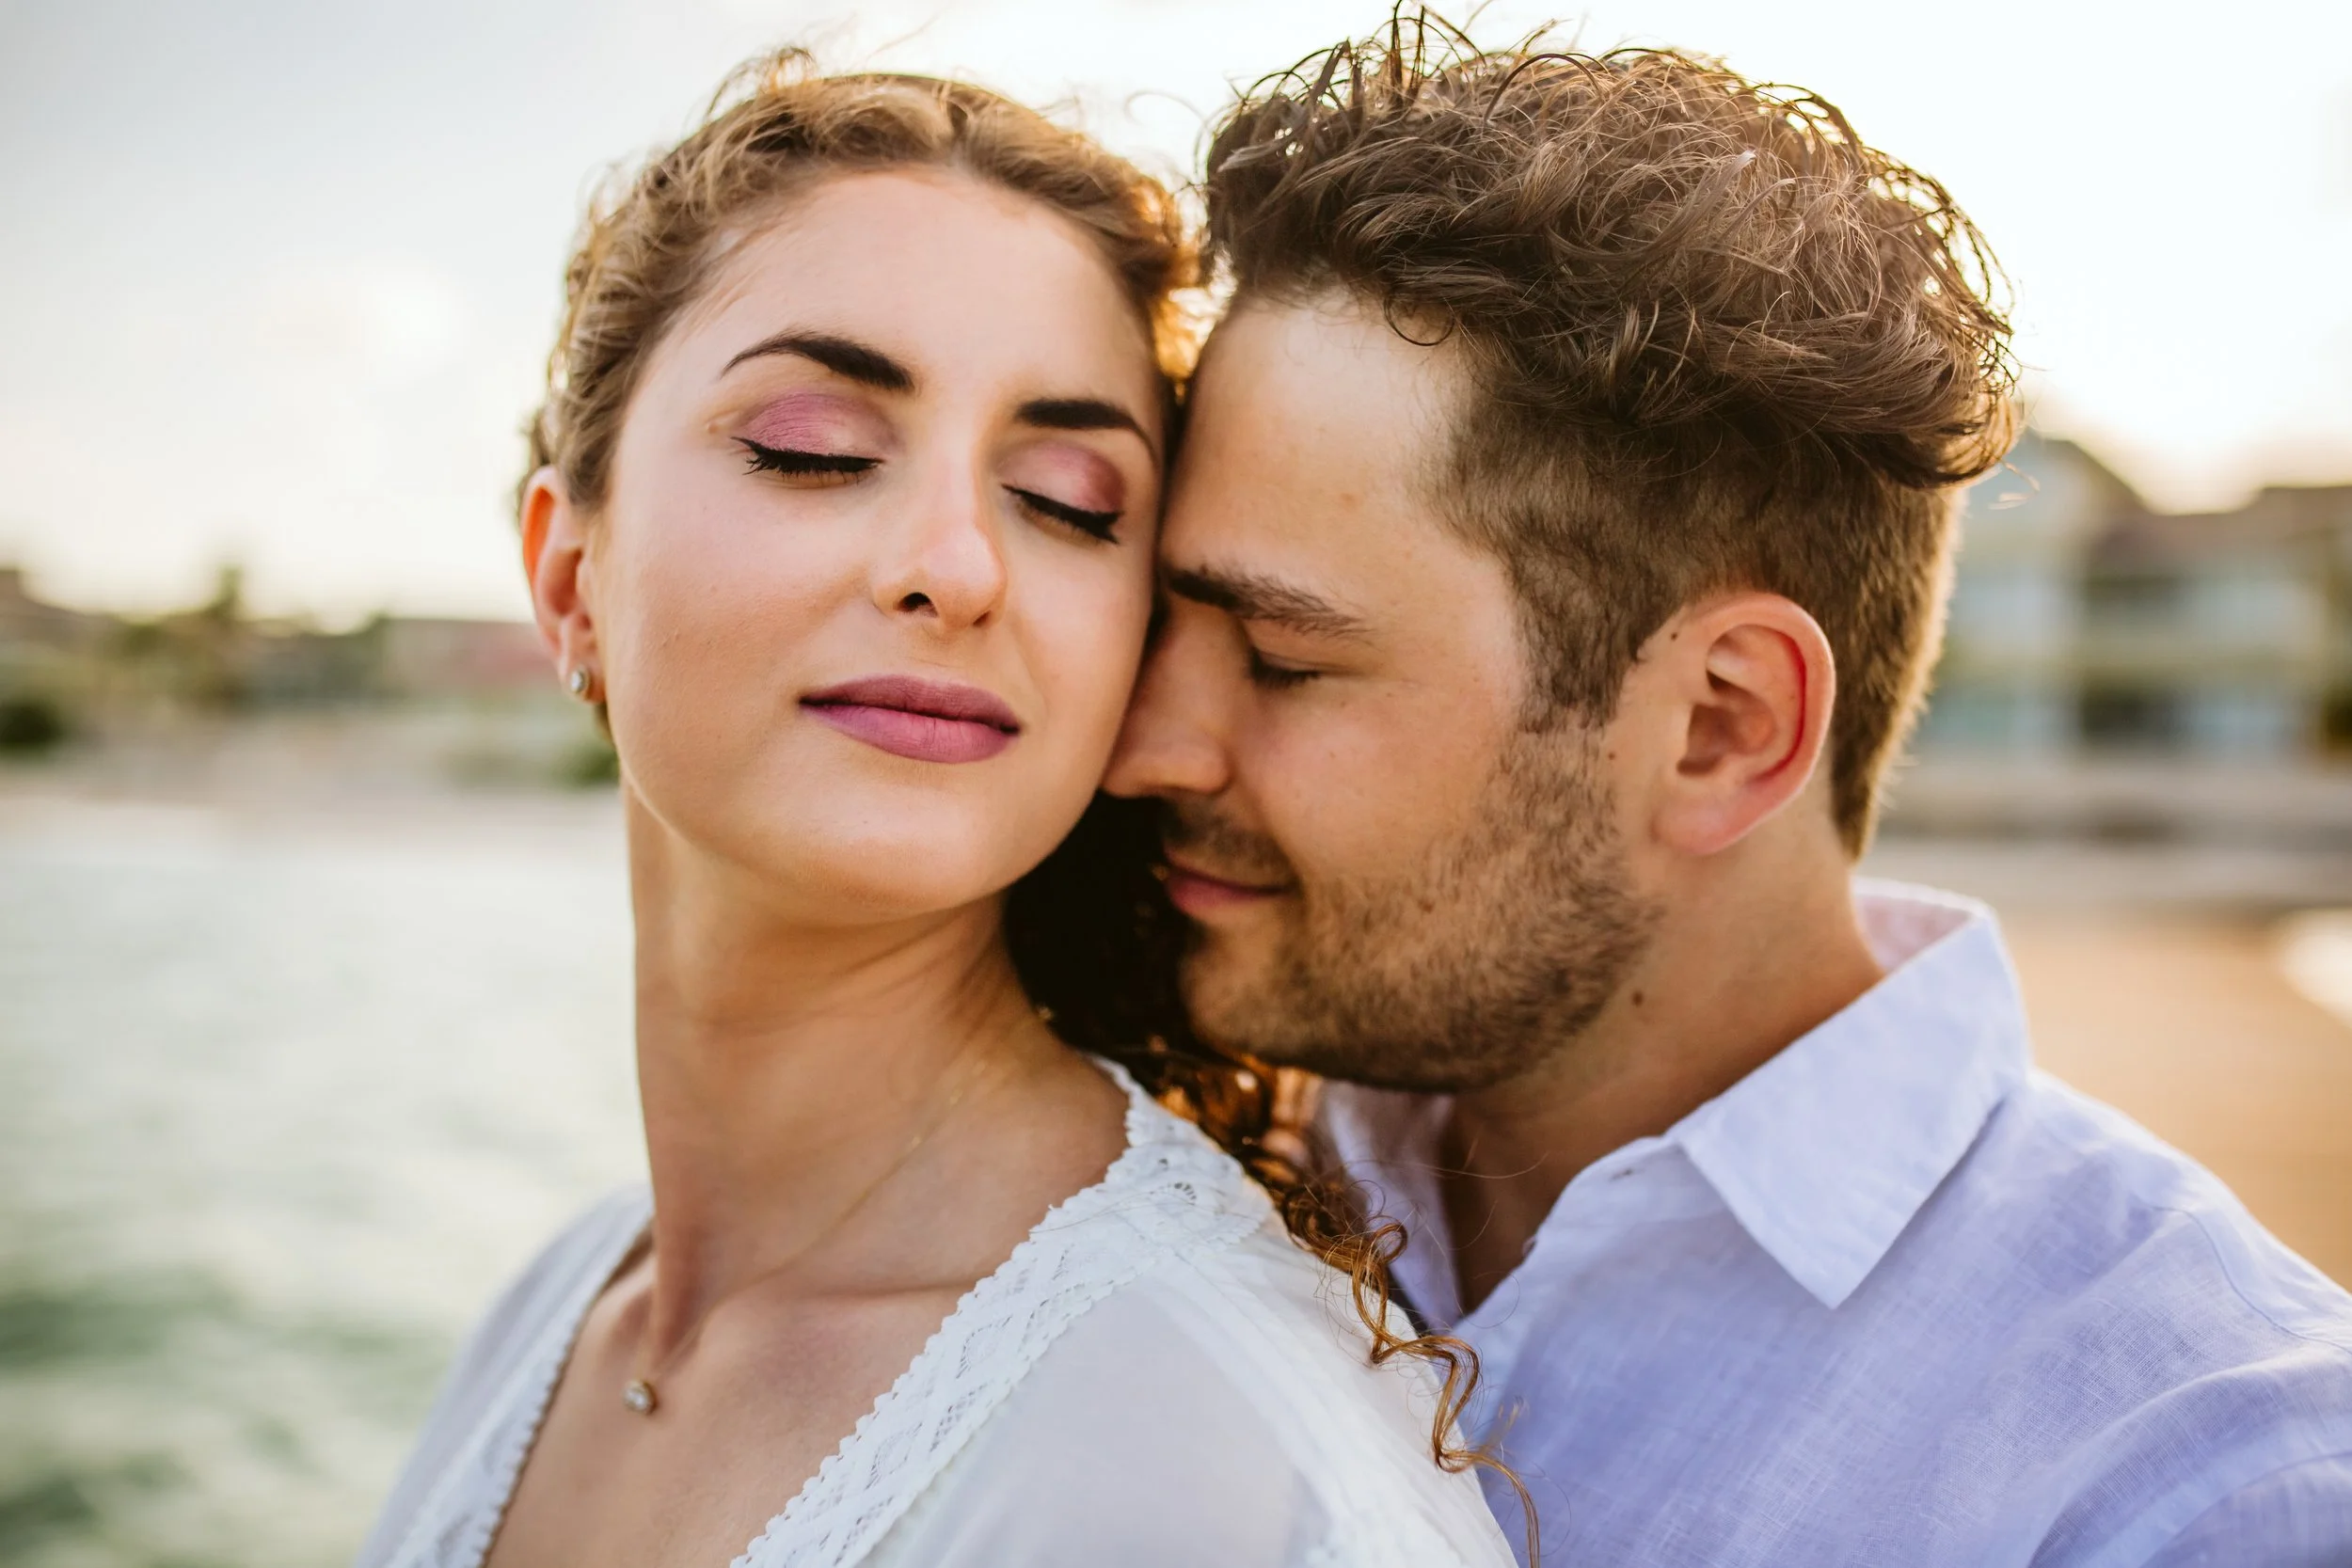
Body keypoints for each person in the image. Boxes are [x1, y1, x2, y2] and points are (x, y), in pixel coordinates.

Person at [1104, 19, 2352, 1567]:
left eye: (1284, 659)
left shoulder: (2206, 1485)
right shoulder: (1155, 1159)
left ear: (1720, 726)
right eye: (1165, 620)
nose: (1143, 745)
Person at [355, 53, 1517, 1568]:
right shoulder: (558, 1306)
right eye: (814, 448)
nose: (956, 564)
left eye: (1068, 499)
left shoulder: (1198, 1435)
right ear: (570, 577)